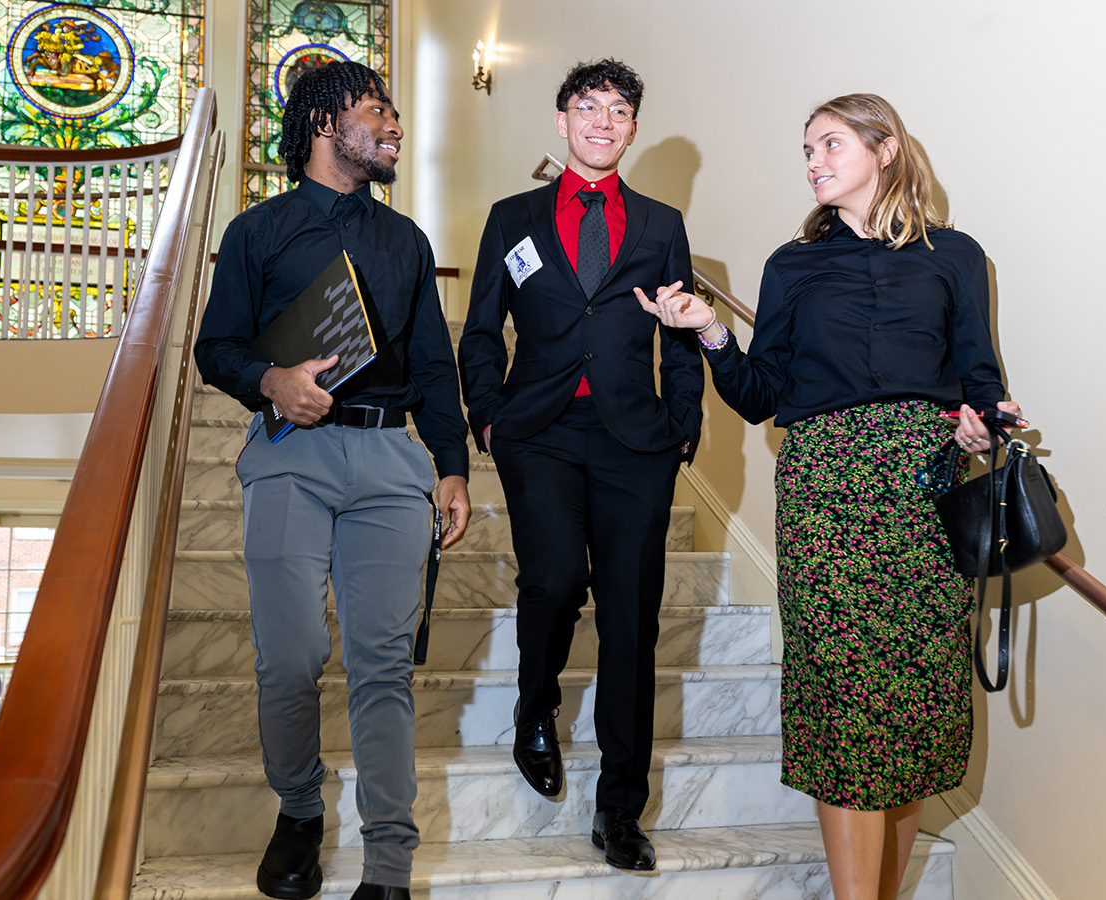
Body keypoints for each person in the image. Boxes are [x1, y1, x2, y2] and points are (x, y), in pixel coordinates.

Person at [638, 93, 1023, 900]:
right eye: (807, 147)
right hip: (827, 488)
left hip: (923, 488)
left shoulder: (956, 256)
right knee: (843, 701)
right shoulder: (793, 265)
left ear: (885, 150)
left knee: (915, 701)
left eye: (830, 143)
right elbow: (758, 393)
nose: (812, 159)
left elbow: (978, 377)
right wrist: (708, 329)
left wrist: (986, 423)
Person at [195, 60, 472, 900]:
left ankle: (389, 865)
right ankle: (300, 811)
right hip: (289, 456)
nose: (393, 125)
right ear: (324, 123)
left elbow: (432, 362)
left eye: (392, 112)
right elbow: (218, 348)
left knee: (382, 666)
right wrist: (271, 381)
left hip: (391, 462)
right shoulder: (258, 231)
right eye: (376, 110)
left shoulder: (407, 242)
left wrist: (452, 466)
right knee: (290, 657)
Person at [458, 58, 703, 872]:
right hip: (541, 429)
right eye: (589, 106)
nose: (605, 120)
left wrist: (683, 427)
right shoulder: (512, 217)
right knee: (556, 579)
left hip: (637, 440)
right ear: (563, 121)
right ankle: (535, 707)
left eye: (621, 110)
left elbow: (683, 328)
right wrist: (487, 418)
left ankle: (621, 810)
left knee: (632, 621)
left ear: (632, 129)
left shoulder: (662, 224)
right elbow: (482, 329)